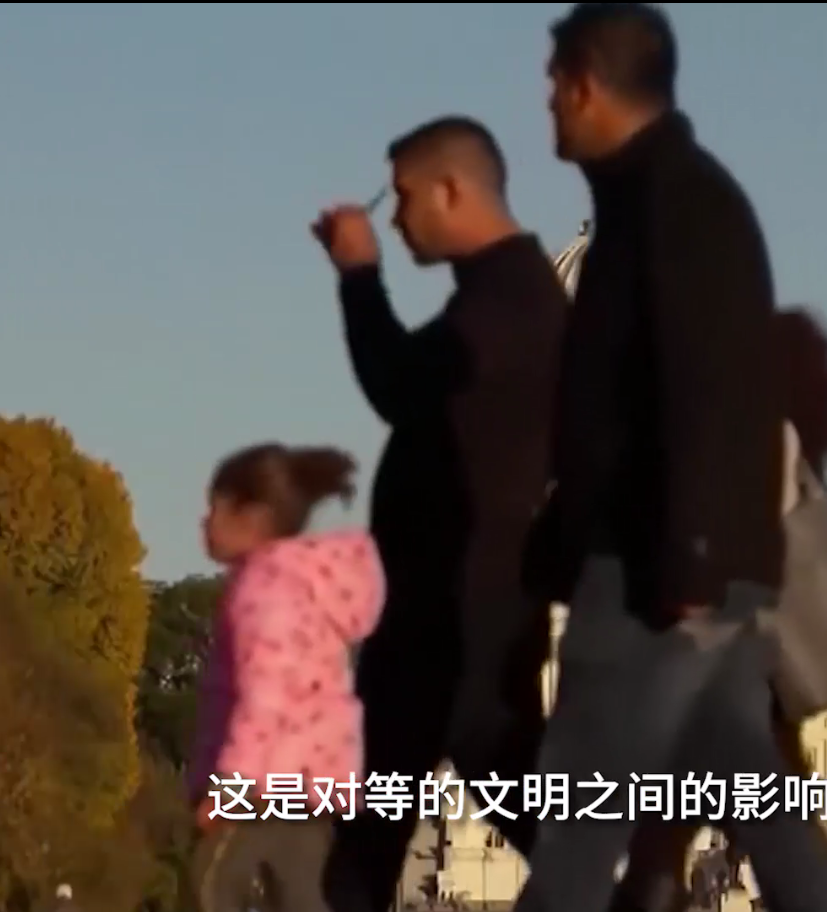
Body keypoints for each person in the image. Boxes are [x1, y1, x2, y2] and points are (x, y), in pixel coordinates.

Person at [519, 5, 827, 911]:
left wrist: (686, 562)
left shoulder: (673, 208)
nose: (546, 104)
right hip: (680, 572)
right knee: (772, 831)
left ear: (588, 86)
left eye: (553, 85)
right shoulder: (668, 202)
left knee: (576, 829)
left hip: (656, 580)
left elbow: (701, 393)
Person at [310, 116, 569, 912]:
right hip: (460, 615)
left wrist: (359, 275)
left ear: (451, 190)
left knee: (370, 855)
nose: (394, 218)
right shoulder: (509, 298)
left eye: (404, 196)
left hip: (454, 620)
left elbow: (398, 384)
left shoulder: (506, 305)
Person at [612, 308, 827, 912]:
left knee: (784, 860)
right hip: (726, 673)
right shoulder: (756, 429)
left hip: (717, 671)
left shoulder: (728, 433)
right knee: (683, 855)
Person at [187, 444, 384, 912]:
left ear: (252, 516)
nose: (204, 522)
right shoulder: (308, 586)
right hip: (315, 786)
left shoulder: (263, 589)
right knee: (304, 897)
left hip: (262, 785)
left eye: (215, 508)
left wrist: (232, 784)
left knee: (211, 887)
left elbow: (265, 694)